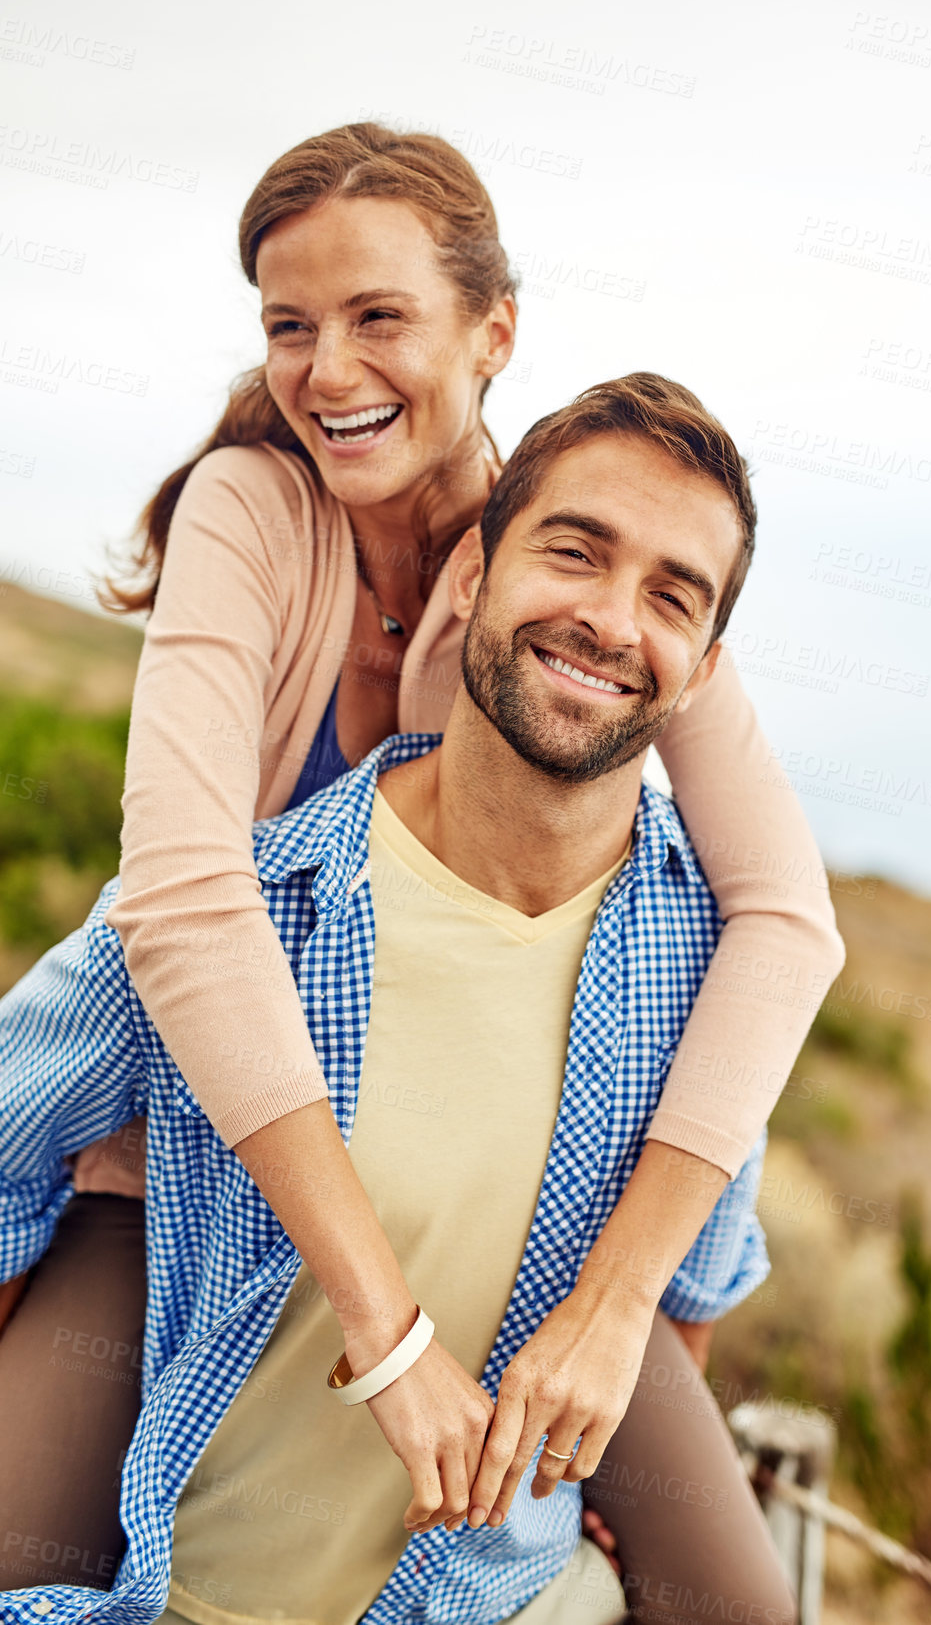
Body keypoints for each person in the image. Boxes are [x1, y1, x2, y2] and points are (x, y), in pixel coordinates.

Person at [0, 125, 843, 1604]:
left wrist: (625, 1301)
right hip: (193, 1145)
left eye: (378, 316)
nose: (328, 371)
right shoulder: (253, 512)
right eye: (288, 325)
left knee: (726, 1591)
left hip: (515, 1176)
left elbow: (770, 919)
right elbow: (184, 906)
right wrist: (385, 1333)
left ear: (491, 330)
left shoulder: (571, 554)